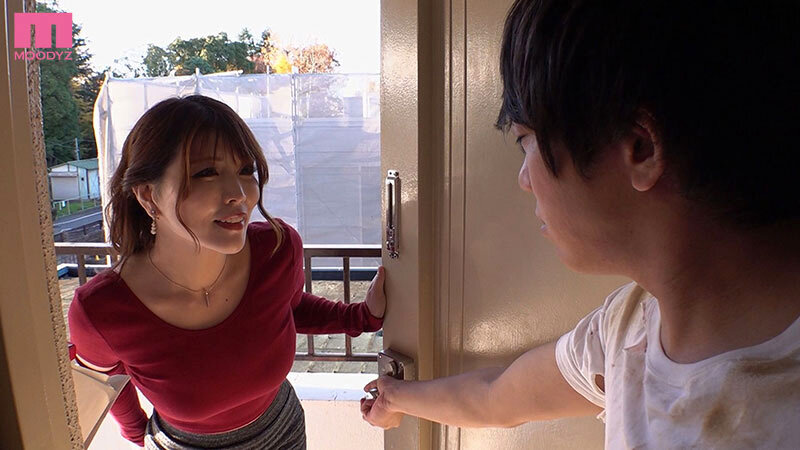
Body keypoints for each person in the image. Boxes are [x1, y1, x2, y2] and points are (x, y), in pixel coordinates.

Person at [361, 0, 800, 448]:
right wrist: (394, 397)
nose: (524, 179)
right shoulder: (626, 329)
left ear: (640, 148)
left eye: (526, 140)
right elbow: (494, 396)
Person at [68, 95, 386, 449]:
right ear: (148, 196)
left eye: (246, 170)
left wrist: (363, 316)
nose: (239, 194)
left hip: (283, 432)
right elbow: (106, 380)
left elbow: (289, 307)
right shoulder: (101, 310)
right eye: (206, 173)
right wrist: (137, 434)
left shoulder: (275, 249)